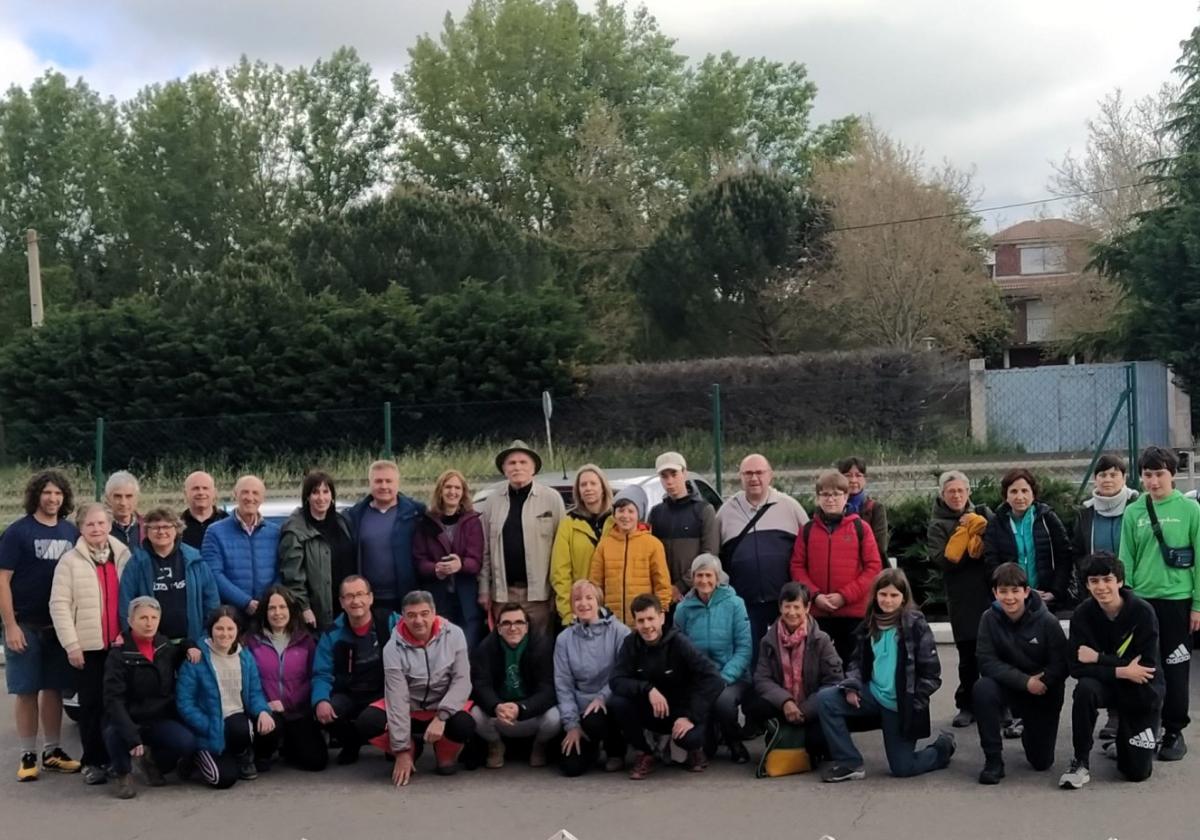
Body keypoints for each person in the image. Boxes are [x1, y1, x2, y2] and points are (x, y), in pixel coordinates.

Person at [816, 568, 955, 782]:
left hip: (900, 704)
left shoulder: (915, 625)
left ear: (903, 598)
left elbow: (932, 674)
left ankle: (942, 748)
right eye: (883, 594)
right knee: (826, 699)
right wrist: (852, 685)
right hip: (871, 694)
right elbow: (856, 661)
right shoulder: (868, 624)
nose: (888, 600)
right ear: (875, 595)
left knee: (903, 768)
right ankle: (849, 762)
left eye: (894, 595)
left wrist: (913, 701)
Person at [1116, 446, 1200, 762]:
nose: (1153, 482)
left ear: (1172, 475)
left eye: (1159, 474)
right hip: (1141, 603)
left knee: (1176, 668)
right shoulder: (1134, 511)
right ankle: (1144, 728)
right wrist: (1126, 600)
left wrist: (1198, 605)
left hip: (1178, 602)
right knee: (1144, 668)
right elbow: (1126, 558)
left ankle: (1174, 731)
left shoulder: (1190, 510)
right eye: (1147, 475)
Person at [0, 469, 82, 781]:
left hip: (58, 628)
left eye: (58, 493)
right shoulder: (17, 533)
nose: (52, 498)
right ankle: (27, 755)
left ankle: (52, 751)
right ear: (36, 495)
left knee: (53, 690)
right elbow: (2, 581)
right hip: (26, 625)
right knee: (26, 691)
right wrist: (10, 625)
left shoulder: (70, 532)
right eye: (47, 493)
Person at [1059, 553, 1164, 789]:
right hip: (1109, 683)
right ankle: (1080, 761)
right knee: (1084, 689)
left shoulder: (1143, 612)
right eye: (1094, 581)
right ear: (1087, 585)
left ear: (1119, 581)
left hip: (1141, 689)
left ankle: (1124, 742)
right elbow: (1076, 667)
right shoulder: (1082, 615)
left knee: (1136, 773)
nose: (1101, 587)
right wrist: (1122, 670)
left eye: (1107, 579)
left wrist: (1098, 658)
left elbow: (1145, 668)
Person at [48, 502, 132, 784]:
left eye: (101, 523)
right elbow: (59, 605)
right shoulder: (69, 562)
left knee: (118, 705)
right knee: (92, 706)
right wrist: (72, 645)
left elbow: (132, 598)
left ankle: (117, 759)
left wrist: (129, 633)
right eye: (90, 525)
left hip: (119, 645)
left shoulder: (123, 556)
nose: (96, 529)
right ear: (80, 528)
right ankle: (93, 761)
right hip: (88, 648)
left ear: (109, 525)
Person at [609, 594, 724, 779]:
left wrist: (690, 716)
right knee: (618, 702)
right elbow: (616, 680)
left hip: (681, 712)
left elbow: (713, 678)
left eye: (651, 618)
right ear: (635, 623)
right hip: (651, 711)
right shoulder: (631, 644)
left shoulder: (679, 642)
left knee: (689, 739)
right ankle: (645, 752)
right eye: (641, 621)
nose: (647, 626)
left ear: (661, 617)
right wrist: (648, 689)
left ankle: (695, 748)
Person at [973, 562, 1068, 785]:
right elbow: (986, 661)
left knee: (1041, 763)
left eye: (1015, 591)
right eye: (1003, 591)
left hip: (1043, 691)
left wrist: (1041, 682)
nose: (1010, 597)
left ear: (1026, 592)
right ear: (995, 593)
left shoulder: (1047, 621)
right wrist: (1025, 682)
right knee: (982, 689)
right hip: (1012, 687)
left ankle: (1030, 730)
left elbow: (1061, 665)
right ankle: (993, 760)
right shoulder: (988, 619)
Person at [102, 596, 197, 799]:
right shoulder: (118, 654)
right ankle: (122, 773)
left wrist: (190, 646)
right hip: (128, 718)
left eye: (154, 617)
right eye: (143, 617)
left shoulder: (164, 646)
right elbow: (113, 700)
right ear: (130, 621)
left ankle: (150, 760)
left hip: (157, 717)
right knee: (113, 733)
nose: (149, 623)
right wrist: (131, 736)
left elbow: (180, 650)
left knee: (187, 742)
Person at [1072, 454, 1137, 743]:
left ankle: (1134, 714)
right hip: (1098, 593)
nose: (1107, 479)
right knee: (1104, 648)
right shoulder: (1085, 513)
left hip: (1131, 591)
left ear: (1124, 477)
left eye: (1114, 474)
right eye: (1102, 475)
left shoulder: (1138, 506)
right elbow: (1077, 552)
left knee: (1131, 651)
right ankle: (1113, 714)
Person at [716, 453, 809, 650]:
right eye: (748, 473)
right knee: (750, 653)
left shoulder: (790, 507)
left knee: (788, 652)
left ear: (770, 475)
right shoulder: (726, 512)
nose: (754, 478)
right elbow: (715, 557)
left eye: (759, 472)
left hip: (784, 601)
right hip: (744, 601)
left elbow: (809, 549)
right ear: (740, 477)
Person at [176, 606, 276, 788]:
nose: (225, 634)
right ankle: (197, 757)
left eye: (230, 628)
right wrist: (208, 725)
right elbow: (185, 703)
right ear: (210, 630)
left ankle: (240, 754)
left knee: (244, 726)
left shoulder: (245, 657)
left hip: (234, 721)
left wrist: (263, 710)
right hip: (208, 727)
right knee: (223, 780)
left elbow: (254, 692)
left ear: (237, 630)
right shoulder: (196, 659)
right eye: (219, 628)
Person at [790, 470, 882, 663]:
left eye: (836, 494)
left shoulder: (861, 528)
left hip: (853, 615)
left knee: (854, 668)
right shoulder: (807, 530)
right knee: (819, 668)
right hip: (818, 614)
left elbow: (873, 567)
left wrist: (844, 596)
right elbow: (797, 567)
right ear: (817, 498)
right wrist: (815, 596)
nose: (830, 499)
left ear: (846, 496)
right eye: (824, 494)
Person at [384, 590, 475, 786]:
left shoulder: (455, 634)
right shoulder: (391, 648)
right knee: (369, 721)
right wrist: (401, 749)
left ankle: (444, 751)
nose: (418, 620)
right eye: (411, 615)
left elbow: (462, 680)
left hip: (443, 706)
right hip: (411, 707)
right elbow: (397, 697)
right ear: (403, 617)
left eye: (424, 613)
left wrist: (442, 716)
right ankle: (411, 748)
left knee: (465, 723)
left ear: (434, 613)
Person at [926, 470, 994, 728]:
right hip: (961, 597)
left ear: (968, 492)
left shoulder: (984, 516)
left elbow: (997, 546)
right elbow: (942, 560)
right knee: (967, 656)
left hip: (988, 593)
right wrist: (964, 538)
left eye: (960, 490)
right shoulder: (937, 525)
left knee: (993, 652)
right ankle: (966, 705)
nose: (956, 495)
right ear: (942, 495)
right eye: (950, 491)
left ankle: (999, 705)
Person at [747, 581, 843, 760]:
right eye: (787, 606)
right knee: (755, 704)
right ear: (780, 607)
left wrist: (806, 710)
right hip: (783, 706)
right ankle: (779, 732)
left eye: (797, 607)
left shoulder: (821, 640)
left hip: (812, 706)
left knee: (814, 747)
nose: (792, 612)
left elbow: (834, 681)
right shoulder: (768, 640)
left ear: (807, 608)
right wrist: (785, 702)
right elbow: (762, 678)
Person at [673, 554, 753, 763]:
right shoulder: (683, 609)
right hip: (699, 678)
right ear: (692, 578)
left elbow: (744, 648)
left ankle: (734, 740)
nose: (704, 581)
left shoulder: (735, 604)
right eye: (699, 575)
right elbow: (678, 648)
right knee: (703, 746)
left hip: (731, 676)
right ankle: (711, 735)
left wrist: (723, 678)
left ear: (718, 578)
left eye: (709, 575)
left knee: (723, 703)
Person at [479, 441, 565, 635]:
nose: (517, 467)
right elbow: (484, 550)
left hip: (539, 595)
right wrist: (484, 589)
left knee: (539, 648)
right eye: (512, 463)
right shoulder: (492, 502)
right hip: (503, 594)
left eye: (523, 462)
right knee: (506, 649)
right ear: (504, 469)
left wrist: (557, 593)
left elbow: (562, 550)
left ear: (533, 468)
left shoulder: (551, 499)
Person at [311, 575, 397, 765]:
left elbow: (416, 629)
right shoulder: (332, 633)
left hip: (383, 692)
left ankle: (392, 742)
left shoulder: (390, 621)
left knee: (371, 720)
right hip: (349, 693)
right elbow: (321, 674)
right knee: (325, 711)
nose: (356, 601)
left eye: (360, 594)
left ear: (371, 598)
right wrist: (320, 700)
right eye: (349, 596)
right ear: (341, 602)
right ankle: (351, 744)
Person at [244, 585, 327, 772]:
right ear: (264, 611)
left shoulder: (306, 640)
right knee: (270, 730)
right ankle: (263, 752)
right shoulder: (251, 642)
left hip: (298, 711)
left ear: (291, 610)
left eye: (282, 607)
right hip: (268, 712)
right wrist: (265, 705)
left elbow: (314, 676)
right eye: (272, 608)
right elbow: (248, 682)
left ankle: (289, 747)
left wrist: (295, 701)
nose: (277, 613)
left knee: (316, 762)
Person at [555, 580, 631, 776]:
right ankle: (591, 749)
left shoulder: (620, 632)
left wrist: (602, 697)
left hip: (609, 701)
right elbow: (563, 685)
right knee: (570, 768)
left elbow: (622, 673)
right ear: (572, 605)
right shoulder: (564, 639)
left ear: (598, 601)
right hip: (580, 708)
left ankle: (616, 751)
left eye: (589, 598)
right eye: (577, 599)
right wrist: (571, 725)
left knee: (596, 719)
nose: (583, 603)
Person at [469, 602, 560, 768]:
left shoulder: (543, 647)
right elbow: (481, 685)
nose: (513, 628)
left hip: (530, 713)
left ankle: (539, 745)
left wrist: (522, 708)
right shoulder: (485, 648)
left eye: (519, 622)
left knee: (555, 718)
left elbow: (548, 689)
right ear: (498, 628)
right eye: (506, 623)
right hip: (500, 714)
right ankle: (495, 744)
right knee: (475, 714)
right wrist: (496, 706)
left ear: (527, 627)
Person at [120, 506, 219, 648]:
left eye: (167, 526)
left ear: (177, 529)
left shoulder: (194, 559)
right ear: (146, 531)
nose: (161, 532)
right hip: (152, 646)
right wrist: (131, 639)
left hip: (191, 644)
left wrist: (205, 637)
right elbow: (126, 603)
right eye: (155, 527)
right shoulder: (137, 563)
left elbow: (211, 601)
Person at [413, 469, 485, 647]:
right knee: (440, 646)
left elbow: (476, 560)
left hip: (466, 596)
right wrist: (435, 569)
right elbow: (418, 561)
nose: (452, 492)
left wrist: (461, 565)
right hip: (437, 594)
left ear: (463, 492)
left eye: (457, 488)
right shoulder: (426, 521)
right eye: (448, 487)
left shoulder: (472, 521)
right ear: (440, 490)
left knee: (467, 647)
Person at [983, 468, 1073, 609]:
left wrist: (1055, 591)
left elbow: (1064, 556)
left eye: (1025, 491)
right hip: (1010, 601)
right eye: (1014, 491)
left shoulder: (1047, 518)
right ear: (1005, 495)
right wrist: (1014, 591)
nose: (1019, 497)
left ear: (1033, 493)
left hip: (1045, 600)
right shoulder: (996, 523)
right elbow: (991, 562)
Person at [346, 460, 425, 615]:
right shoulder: (354, 516)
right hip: (367, 601)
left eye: (388, 481)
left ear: (397, 483)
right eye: (378, 481)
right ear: (370, 483)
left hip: (406, 597)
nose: (383, 486)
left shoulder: (416, 513)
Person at [279, 470, 355, 632]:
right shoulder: (295, 530)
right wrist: (304, 607)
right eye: (315, 492)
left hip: (347, 608)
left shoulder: (343, 522)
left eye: (326, 491)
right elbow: (292, 577)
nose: (321, 498)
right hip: (317, 615)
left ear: (332, 495)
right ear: (307, 496)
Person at [588, 486, 671, 626]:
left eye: (631, 511)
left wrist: (660, 612)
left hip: (643, 623)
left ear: (639, 515)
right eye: (621, 511)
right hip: (611, 623)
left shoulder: (653, 545)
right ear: (614, 515)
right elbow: (596, 584)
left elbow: (662, 584)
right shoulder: (604, 545)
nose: (625, 516)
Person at [647, 451, 719, 608]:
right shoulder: (656, 513)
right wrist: (665, 589)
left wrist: (680, 586)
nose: (669, 481)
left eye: (674, 474)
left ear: (684, 473)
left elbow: (709, 555)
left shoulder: (704, 510)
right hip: (663, 597)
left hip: (696, 596)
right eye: (664, 476)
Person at [201, 475, 281, 617]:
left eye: (255, 493)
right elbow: (213, 573)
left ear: (262, 498)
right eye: (245, 492)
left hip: (267, 613)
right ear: (235, 495)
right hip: (231, 616)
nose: (250, 498)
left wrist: (267, 602)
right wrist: (245, 602)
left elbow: (281, 571)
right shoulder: (215, 532)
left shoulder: (275, 532)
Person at [551, 465, 614, 625]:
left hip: (615, 608)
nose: (588, 488)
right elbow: (560, 573)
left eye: (593, 483)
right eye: (583, 485)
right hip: (583, 610)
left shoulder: (618, 520)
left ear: (603, 487)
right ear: (578, 490)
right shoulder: (568, 523)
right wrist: (567, 613)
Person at [838, 456, 889, 561]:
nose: (853, 480)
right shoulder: (832, 507)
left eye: (858, 475)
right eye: (848, 475)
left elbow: (880, 547)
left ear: (865, 479)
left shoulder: (876, 508)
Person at [181, 470, 228, 550]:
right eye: (195, 488)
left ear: (214, 493)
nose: (201, 492)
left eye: (205, 488)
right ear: (185, 494)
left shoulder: (228, 523)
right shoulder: (177, 527)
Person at [106, 470, 144, 548]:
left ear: (136, 498)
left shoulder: (147, 527)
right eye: (118, 496)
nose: (123, 503)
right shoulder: (99, 529)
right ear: (108, 498)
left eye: (129, 496)